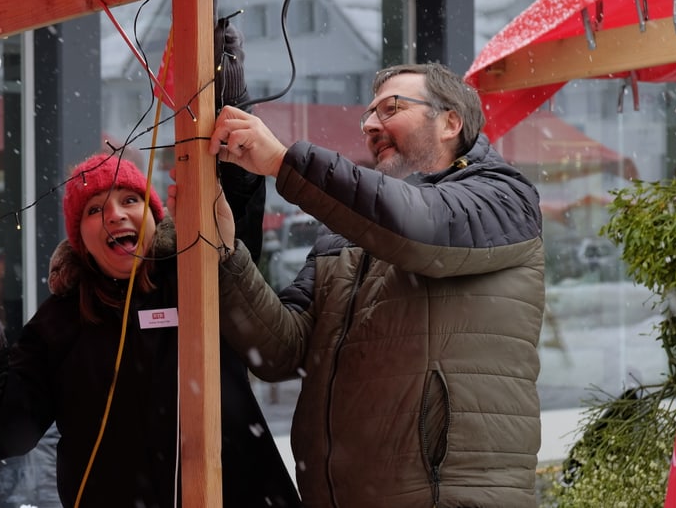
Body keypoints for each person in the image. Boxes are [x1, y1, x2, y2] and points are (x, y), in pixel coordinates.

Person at [0, 17, 301, 507]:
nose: (114, 214)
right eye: (95, 210)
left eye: (130, 200)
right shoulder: (59, 322)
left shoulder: (196, 274)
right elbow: (1, 439)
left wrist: (230, 103)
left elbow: (236, 199)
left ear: (153, 215)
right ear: (78, 238)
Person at [172, 62, 545, 507]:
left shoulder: (503, 197)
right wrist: (226, 251)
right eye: (368, 114)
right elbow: (280, 352)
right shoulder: (348, 227)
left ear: (450, 121)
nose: (370, 124)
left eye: (391, 108)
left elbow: (419, 226)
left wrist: (282, 161)